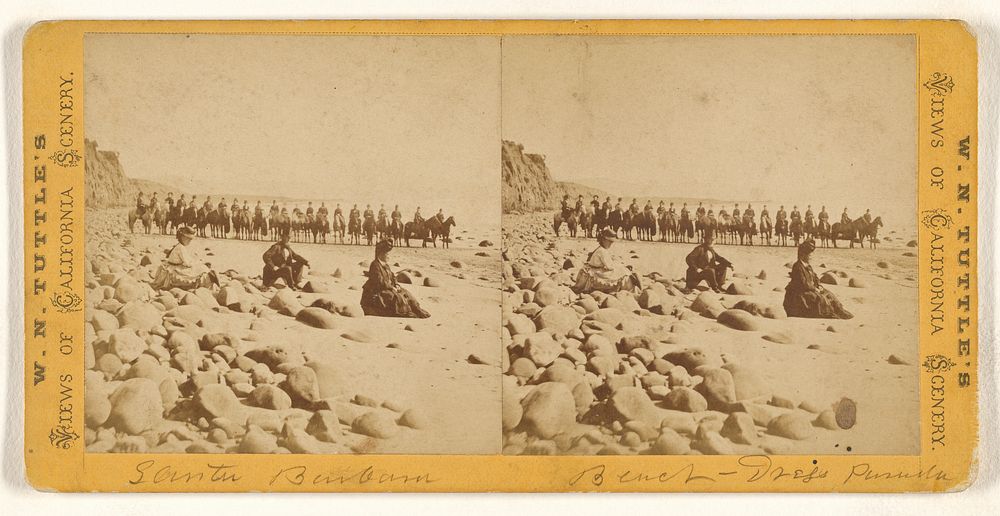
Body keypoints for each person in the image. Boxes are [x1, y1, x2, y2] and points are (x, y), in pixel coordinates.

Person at [783, 240, 853, 319]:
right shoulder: (798, 266)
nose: (811, 256)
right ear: (803, 255)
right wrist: (815, 289)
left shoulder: (808, 266)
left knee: (829, 294)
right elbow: (803, 283)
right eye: (810, 255)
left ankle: (840, 311)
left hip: (810, 288)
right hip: (799, 292)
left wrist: (819, 285)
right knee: (819, 298)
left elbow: (815, 277)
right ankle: (829, 313)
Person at [361, 239, 430, 318]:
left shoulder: (386, 265)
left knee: (406, 293)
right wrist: (392, 287)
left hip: (388, 287)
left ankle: (417, 309)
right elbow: (379, 282)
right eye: (387, 254)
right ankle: (406, 312)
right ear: (381, 254)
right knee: (395, 297)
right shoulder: (375, 265)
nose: (389, 256)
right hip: (377, 291)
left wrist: (396, 284)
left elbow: (393, 276)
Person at [572, 229, 641, 294]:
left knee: (622, 270)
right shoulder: (602, 251)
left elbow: (608, 264)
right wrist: (621, 267)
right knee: (623, 273)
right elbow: (609, 267)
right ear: (603, 240)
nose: (611, 244)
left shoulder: (600, 249)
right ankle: (631, 288)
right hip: (594, 272)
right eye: (610, 241)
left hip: (594, 270)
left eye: (612, 242)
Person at [151, 227, 219, 290]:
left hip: (173, 267)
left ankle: (209, 279)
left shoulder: (179, 246)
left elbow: (187, 259)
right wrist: (196, 264)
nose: (190, 241)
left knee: (200, 267)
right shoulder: (180, 248)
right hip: (173, 270)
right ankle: (209, 280)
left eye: (190, 240)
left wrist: (196, 263)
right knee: (199, 271)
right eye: (189, 239)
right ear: (183, 238)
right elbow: (187, 263)